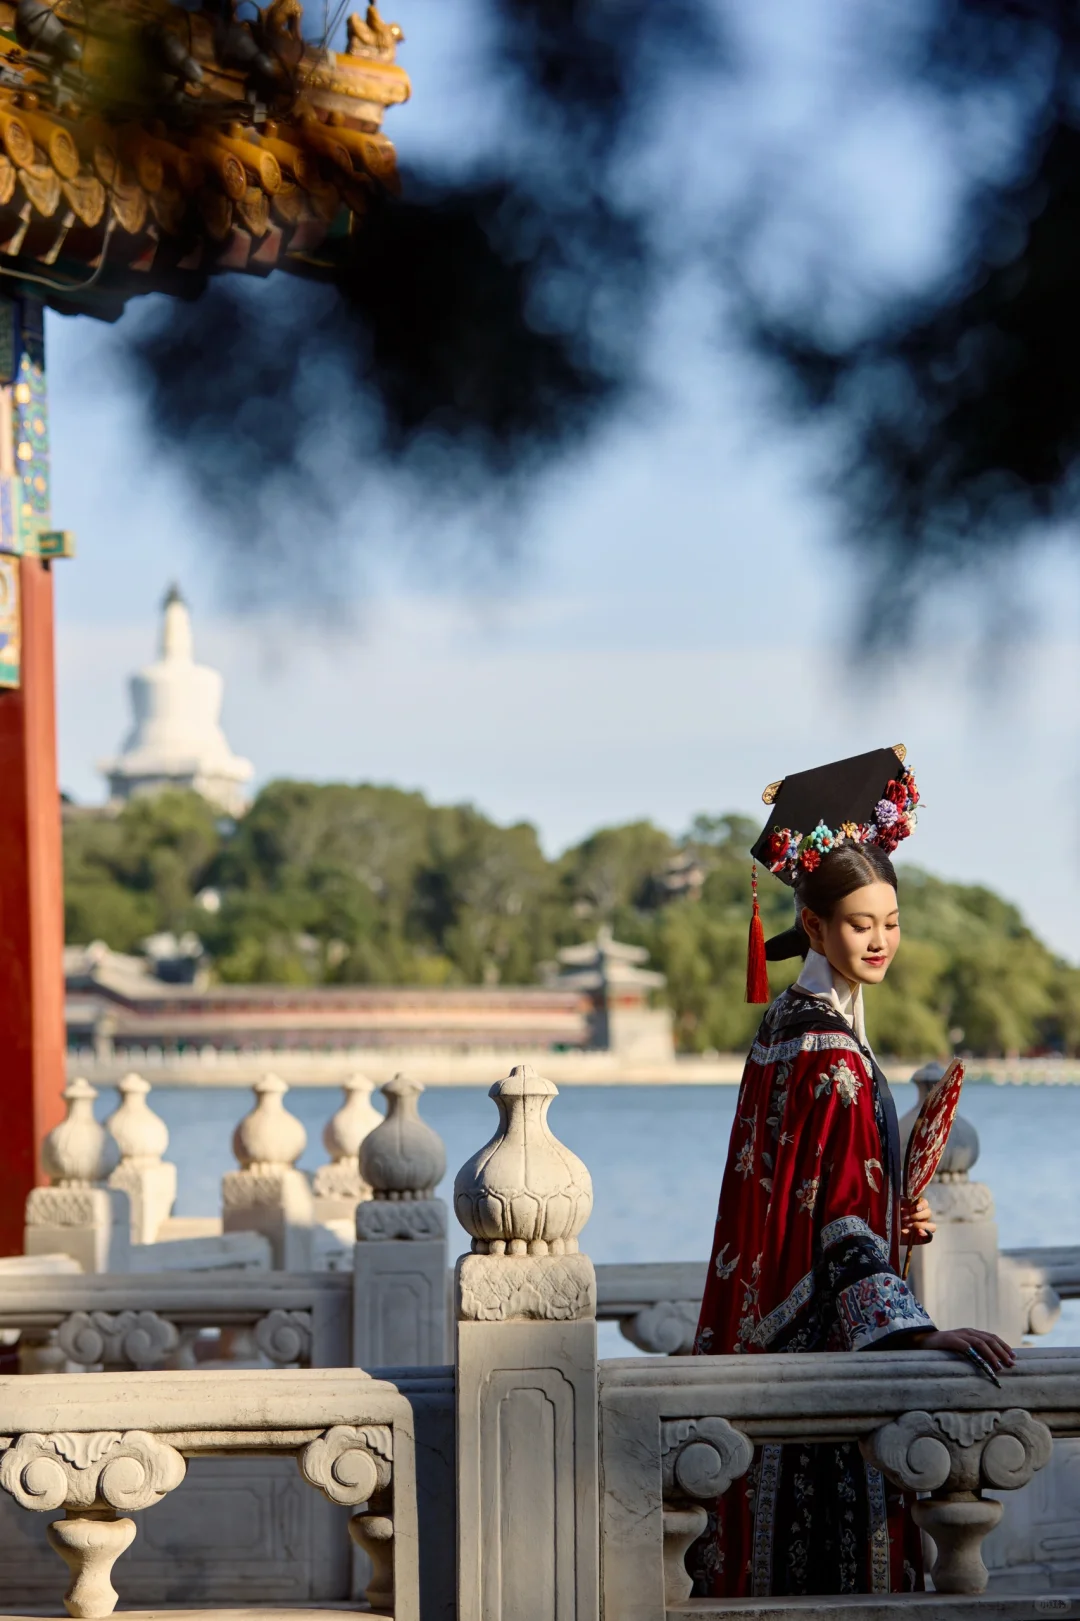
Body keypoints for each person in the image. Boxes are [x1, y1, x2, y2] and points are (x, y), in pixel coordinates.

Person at [692, 747, 1014, 1599]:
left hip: (760, 1324)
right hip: (817, 1347)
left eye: (893, 920)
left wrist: (884, 1208)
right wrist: (917, 1330)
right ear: (815, 920)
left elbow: (807, 1188)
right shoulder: (832, 1050)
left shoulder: (785, 1023)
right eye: (862, 922)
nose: (881, 940)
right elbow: (835, 1222)